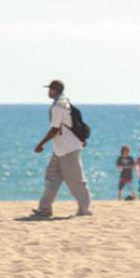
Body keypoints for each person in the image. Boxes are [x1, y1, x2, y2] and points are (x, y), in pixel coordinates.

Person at [30, 80, 93, 217]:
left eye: (49, 89)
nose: (48, 92)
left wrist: (41, 144)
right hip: (60, 150)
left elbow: (54, 129)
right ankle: (45, 209)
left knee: (76, 181)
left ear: (54, 90)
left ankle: (85, 210)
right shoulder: (65, 103)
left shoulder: (58, 106)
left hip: (68, 149)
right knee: (51, 177)